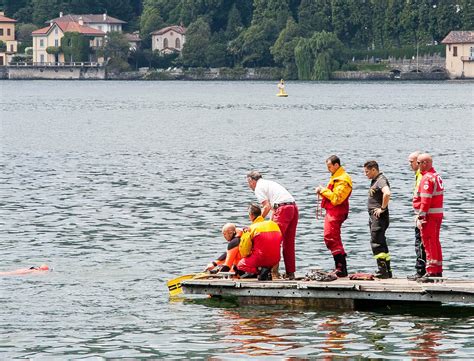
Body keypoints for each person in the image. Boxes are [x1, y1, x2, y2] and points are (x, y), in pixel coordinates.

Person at [246, 171, 298, 280]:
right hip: (292, 207)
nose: (248, 185)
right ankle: (290, 272)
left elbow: (266, 207)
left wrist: (256, 223)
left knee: (273, 242)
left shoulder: (258, 188)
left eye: (248, 183)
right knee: (288, 243)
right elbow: (272, 210)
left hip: (282, 209)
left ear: (252, 181)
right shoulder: (268, 183)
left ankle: (274, 274)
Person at [315, 155, 352, 277]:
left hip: (337, 211)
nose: (328, 169)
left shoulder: (343, 179)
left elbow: (337, 198)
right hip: (332, 211)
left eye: (329, 166)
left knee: (331, 236)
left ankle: (341, 267)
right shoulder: (336, 177)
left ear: (336, 165)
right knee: (330, 237)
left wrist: (323, 190)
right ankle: (339, 267)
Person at [412, 153, 444, 279]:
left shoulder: (427, 178)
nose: (417, 165)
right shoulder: (436, 176)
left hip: (429, 216)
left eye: (418, 163)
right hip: (437, 214)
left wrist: (421, 216)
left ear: (425, 163)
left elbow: (425, 200)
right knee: (435, 242)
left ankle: (431, 271)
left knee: (429, 242)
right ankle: (437, 269)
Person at [236, 203, 282, 280]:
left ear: (251, 215)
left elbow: (244, 252)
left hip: (261, 259)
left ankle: (261, 270)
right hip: (275, 260)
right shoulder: (274, 224)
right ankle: (267, 270)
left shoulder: (251, 228)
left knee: (240, 265)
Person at [364, 160, 393, 279]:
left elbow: (387, 193)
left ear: (374, 170)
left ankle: (382, 270)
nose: (365, 174)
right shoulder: (375, 180)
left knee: (376, 243)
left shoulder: (381, 180)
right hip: (375, 217)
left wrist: (382, 208)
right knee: (381, 242)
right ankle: (387, 270)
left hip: (379, 217)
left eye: (367, 172)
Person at [407, 151, 427, 280]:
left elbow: (423, 197)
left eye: (411, 162)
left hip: (422, 215)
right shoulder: (419, 175)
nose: (409, 164)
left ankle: (421, 270)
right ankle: (422, 269)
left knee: (420, 243)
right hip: (420, 213)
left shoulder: (421, 176)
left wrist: (420, 215)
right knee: (421, 242)